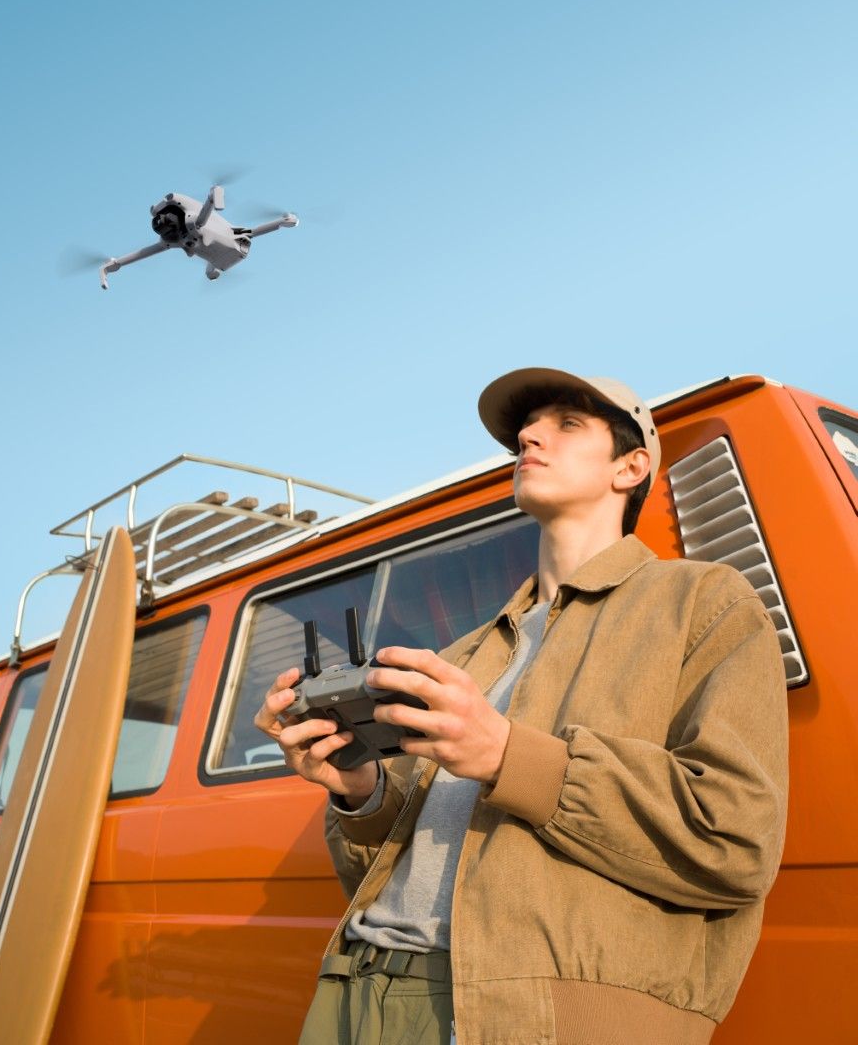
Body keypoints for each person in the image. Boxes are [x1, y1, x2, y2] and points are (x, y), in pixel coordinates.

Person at [254, 367, 789, 1045]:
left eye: (566, 424)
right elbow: (379, 872)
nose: (529, 436)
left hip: (530, 1019)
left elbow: (735, 842)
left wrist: (508, 755)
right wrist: (358, 790)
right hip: (357, 994)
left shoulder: (705, 602)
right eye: (527, 430)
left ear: (631, 468)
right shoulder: (464, 655)